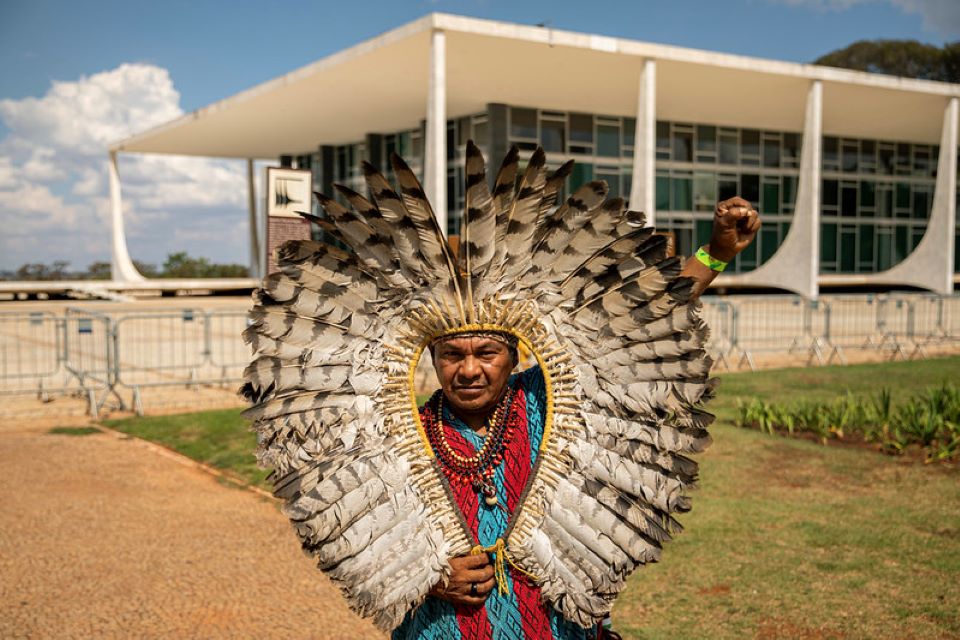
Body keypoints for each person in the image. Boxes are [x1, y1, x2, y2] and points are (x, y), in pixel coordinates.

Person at [391, 197, 760, 640]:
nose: (469, 370)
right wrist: (428, 578)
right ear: (432, 358)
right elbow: (366, 544)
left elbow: (641, 325)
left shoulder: (549, 402)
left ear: (513, 357)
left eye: (486, 353)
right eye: (452, 355)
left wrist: (715, 252)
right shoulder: (400, 435)